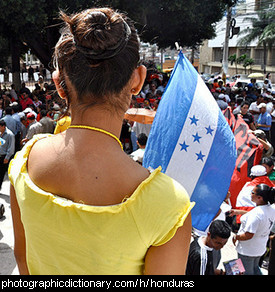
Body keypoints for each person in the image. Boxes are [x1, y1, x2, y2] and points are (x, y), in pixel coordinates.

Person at [9, 7, 194, 275]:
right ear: (138, 80)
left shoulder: (25, 162)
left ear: (60, 85)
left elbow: (23, 261)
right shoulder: (169, 205)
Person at [233, 184, 275, 275]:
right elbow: (258, 215)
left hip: (247, 250)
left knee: (245, 272)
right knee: (255, 269)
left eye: (252, 192)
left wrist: (236, 237)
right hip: (259, 248)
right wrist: (238, 212)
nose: (250, 194)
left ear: (259, 197)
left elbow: (248, 235)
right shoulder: (271, 209)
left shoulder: (255, 215)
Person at [0, 120, 15, 189]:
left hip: (3, 157)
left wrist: (7, 157)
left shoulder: (10, 134)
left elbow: (11, 148)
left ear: (3, 127)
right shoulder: (0, 133)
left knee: (1, 173)